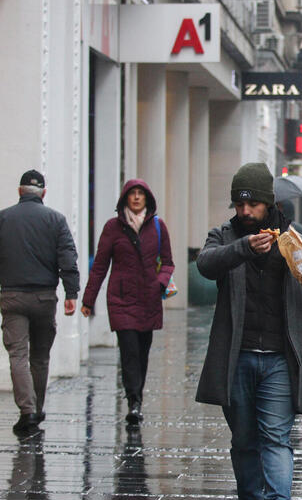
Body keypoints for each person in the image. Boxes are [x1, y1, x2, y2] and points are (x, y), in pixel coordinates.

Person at [196, 162, 302, 500]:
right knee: (244, 440)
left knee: (275, 436)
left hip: (278, 357)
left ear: (267, 203)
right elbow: (206, 265)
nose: (245, 212)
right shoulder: (223, 236)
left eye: (252, 205)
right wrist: (243, 247)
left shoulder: (295, 240)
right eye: (239, 205)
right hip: (236, 355)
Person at [81, 179, 175, 424]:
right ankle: (133, 402)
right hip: (121, 299)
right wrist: (88, 300)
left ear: (147, 199)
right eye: (132, 194)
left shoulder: (157, 226)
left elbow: (168, 262)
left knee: (142, 352)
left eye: (140, 194)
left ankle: (137, 398)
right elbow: (100, 266)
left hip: (149, 298)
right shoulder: (113, 227)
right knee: (129, 351)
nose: (136, 198)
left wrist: (160, 283)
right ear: (125, 198)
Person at [0, 170, 80, 434]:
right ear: (43, 193)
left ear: (19, 191)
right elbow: (68, 256)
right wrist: (71, 293)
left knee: (18, 355)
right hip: (45, 297)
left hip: (12, 295)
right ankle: (37, 408)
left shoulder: (4, 218)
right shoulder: (56, 220)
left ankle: (28, 410)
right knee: (40, 357)